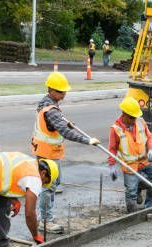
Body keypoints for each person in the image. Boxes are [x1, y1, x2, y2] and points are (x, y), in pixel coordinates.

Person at [31, 72, 100, 233]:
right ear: (52, 90)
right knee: (48, 186)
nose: (64, 94)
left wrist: (66, 123)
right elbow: (65, 132)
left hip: (49, 152)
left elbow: (57, 123)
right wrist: (87, 140)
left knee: (55, 183)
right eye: (62, 92)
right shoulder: (50, 109)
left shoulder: (47, 103)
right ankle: (45, 221)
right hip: (46, 153)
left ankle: (47, 214)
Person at [107, 97, 152, 213]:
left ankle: (140, 187)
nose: (134, 120)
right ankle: (132, 214)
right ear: (124, 114)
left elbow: (149, 137)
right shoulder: (116, 129)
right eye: (131, 118)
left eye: (135, 117)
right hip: (130, 165)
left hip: (145, 160)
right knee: (131, 192)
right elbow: (112, 149)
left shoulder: (140, 121)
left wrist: (151, 150)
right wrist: (111, 166)